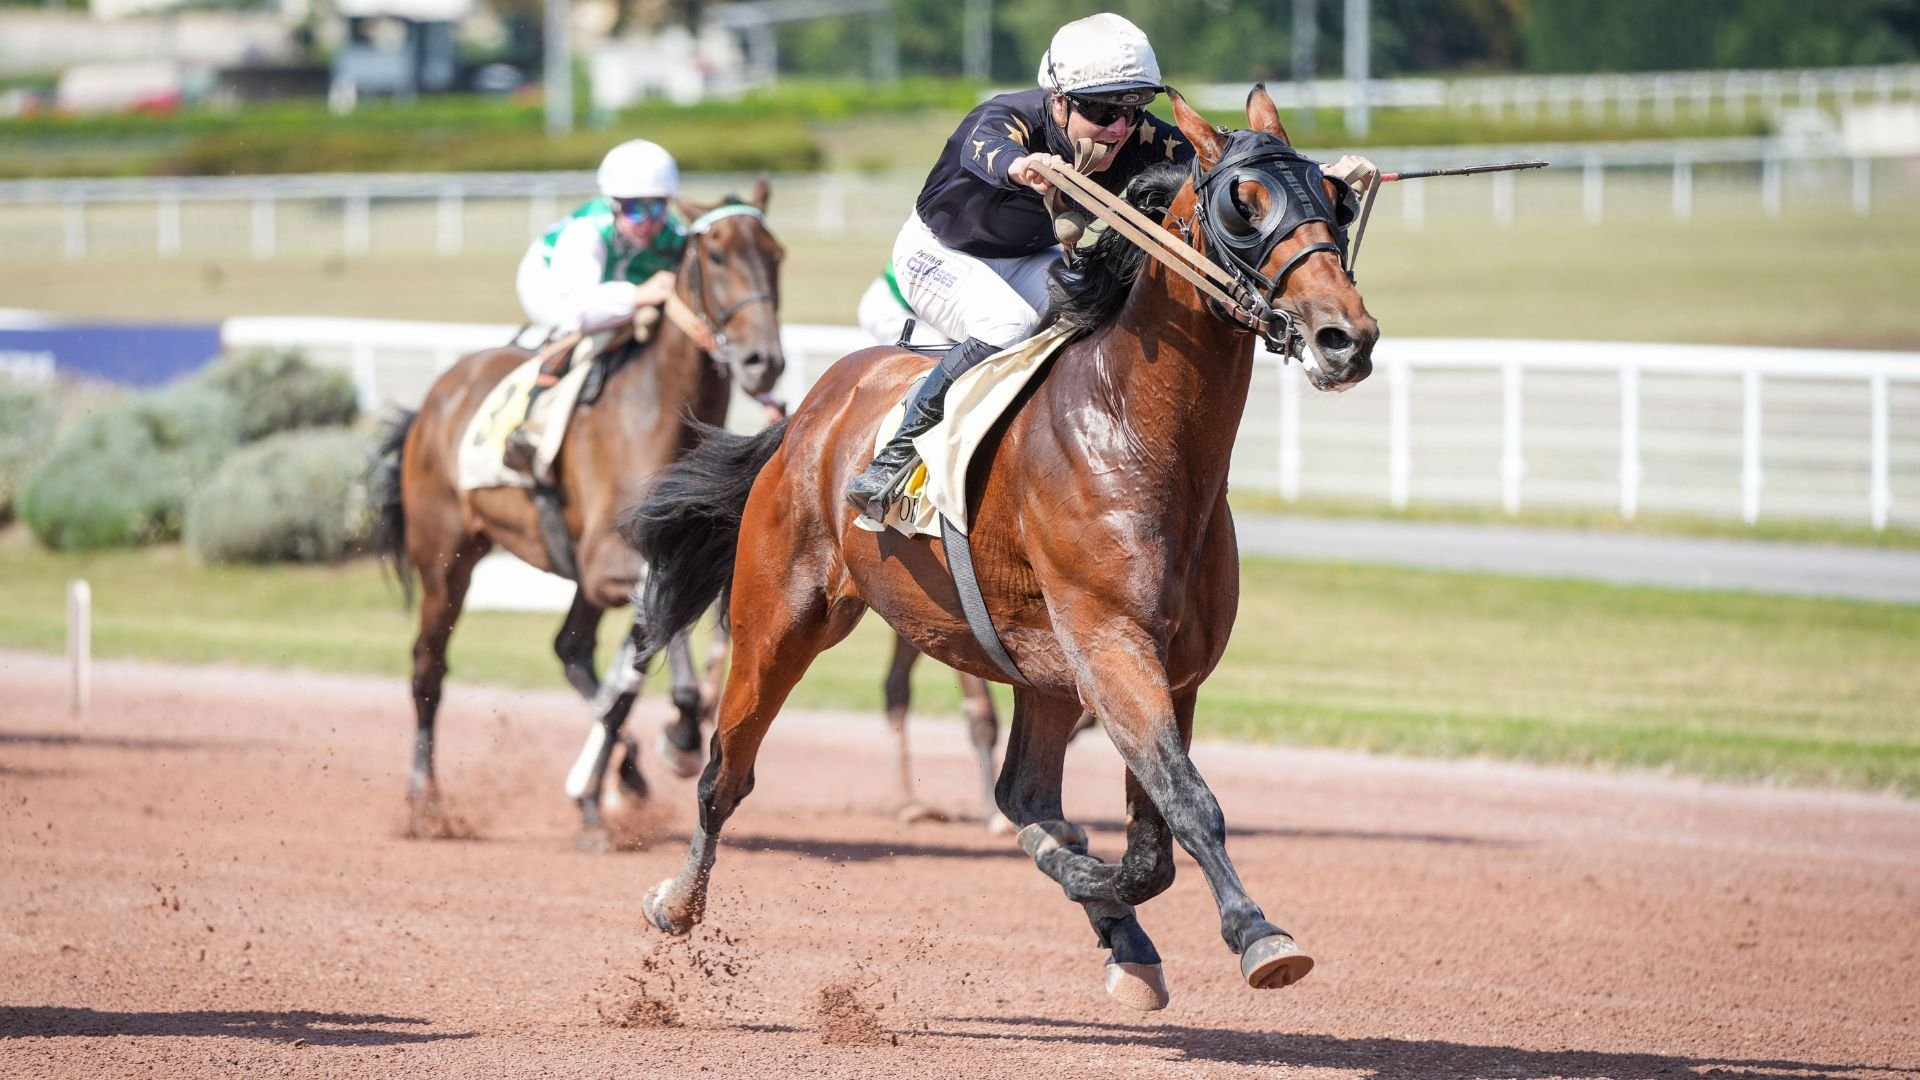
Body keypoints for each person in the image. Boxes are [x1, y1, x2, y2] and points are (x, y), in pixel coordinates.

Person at [844, 12, 1379, 520]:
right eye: (1102, 112)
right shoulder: (1009, 117)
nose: (1120, 128)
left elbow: (1235, 166)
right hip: (939, 252)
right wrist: (1023, 165)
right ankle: (895, 454)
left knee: (1093, 319)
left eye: (1133, 109)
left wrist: (1326, 175)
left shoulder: (1137, 134)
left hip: (1028, 257)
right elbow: (984, 147)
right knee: (1006, 324)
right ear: (1059, 103)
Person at [503, 138, 688, 472]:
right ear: (613, 205)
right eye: (635, 209)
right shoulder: (585, 232)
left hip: (616, 284)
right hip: (551, 288)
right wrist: (638, 296)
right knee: (589, 334)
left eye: (657, 208)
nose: (647, 221)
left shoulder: (673, 235)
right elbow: (578, 311)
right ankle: (530, 426)